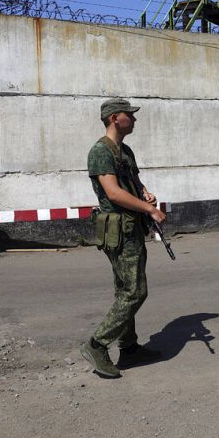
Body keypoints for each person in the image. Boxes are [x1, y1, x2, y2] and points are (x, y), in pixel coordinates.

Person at [80, 98, 167, 378]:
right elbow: (114, 193)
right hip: (119, 230)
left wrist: (145, 192)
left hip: (131, 227)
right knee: (135, 291)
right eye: (130, 115)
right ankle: (97, 344)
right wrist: (150, 209)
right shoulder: (100, 151)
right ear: (115, 118)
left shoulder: (124, 151)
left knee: (125, 289)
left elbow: (132, 183)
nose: (134, 119)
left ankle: (128, 348)